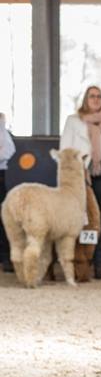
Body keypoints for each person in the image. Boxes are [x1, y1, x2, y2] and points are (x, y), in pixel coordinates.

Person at [59, 85, 101, 279]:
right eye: (91, 96)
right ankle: (81, 265)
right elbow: (65, 151)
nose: (95, 99)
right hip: (79, 176)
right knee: (80, 219)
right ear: (86, 99)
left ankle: (99, 265)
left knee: (99, 220)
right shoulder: (73, 121)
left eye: (99, 96)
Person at [0, 112, 16, 272]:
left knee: (2, 218)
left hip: (0, 174)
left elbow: (8, 150)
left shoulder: (1, 126)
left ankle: (6, 258)